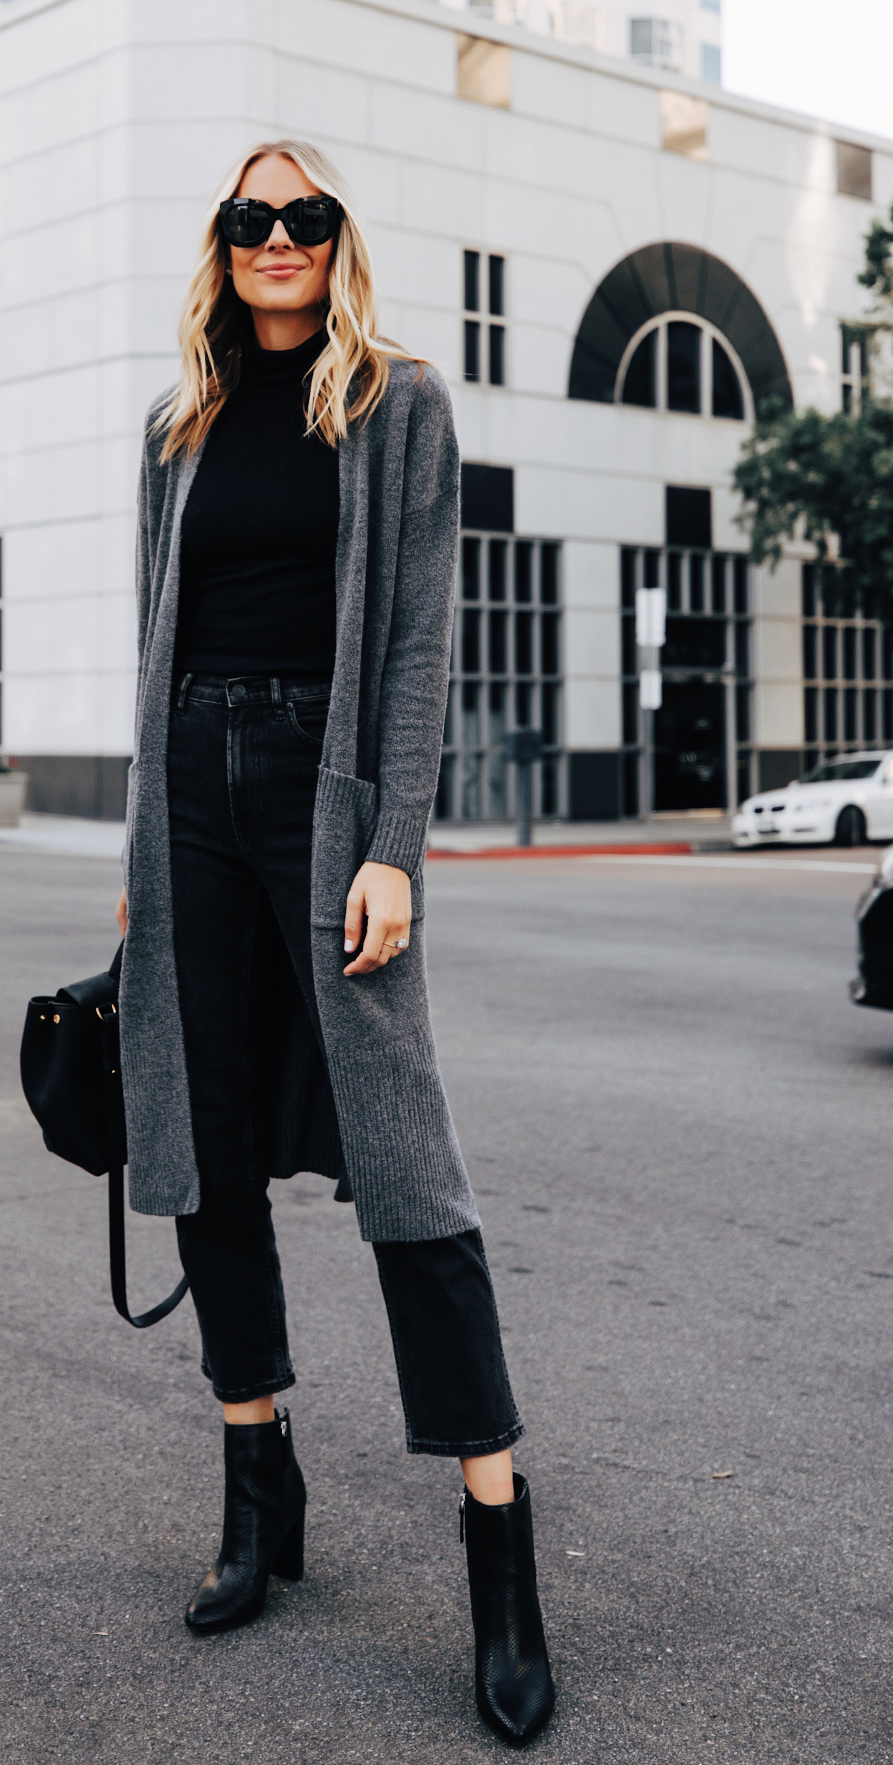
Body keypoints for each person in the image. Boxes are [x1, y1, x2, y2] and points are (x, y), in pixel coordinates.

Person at [115, 138, 555, 1746]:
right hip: (191, 806)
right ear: (221, 246)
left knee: (409, 1173)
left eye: (307, 217)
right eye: (253, 218)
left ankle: (501, 1556)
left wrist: (394, 848)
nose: (281, 237)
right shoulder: (180, 423)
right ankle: (260, 1491)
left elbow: (423, 642)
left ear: (338, 240)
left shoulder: (398, 404)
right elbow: (147, 644)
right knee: (206, 1152)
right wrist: (139, 855)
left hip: (327, 793)